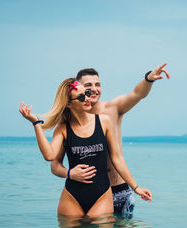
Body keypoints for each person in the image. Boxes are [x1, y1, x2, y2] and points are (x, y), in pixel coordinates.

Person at [19, 79, 152, 217]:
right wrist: (36, 123)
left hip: (102, 195)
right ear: (69, 103)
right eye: (81, 96)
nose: (87, 98)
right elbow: (49, 156)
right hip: (72, 197)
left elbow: (116, 158)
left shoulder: (104, 121)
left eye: (87, 93)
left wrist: (136, 187)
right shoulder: (63, 129)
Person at [50, 63, 170, 217]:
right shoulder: (67, 125)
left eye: (97, 84)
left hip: (118, 190)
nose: (94, 89)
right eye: (88, 85)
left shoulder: (111, 110)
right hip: (84, 192)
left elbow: (136, 94)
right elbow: (54, 163)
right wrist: (69, 173)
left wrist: (148, 79)